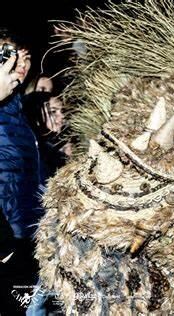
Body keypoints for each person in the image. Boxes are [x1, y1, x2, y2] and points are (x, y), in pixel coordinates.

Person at [0, 28, 42, 315]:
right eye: (7, 55)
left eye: (25, 57)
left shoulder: (15, 110)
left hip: (25, 236)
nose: (19, 64)